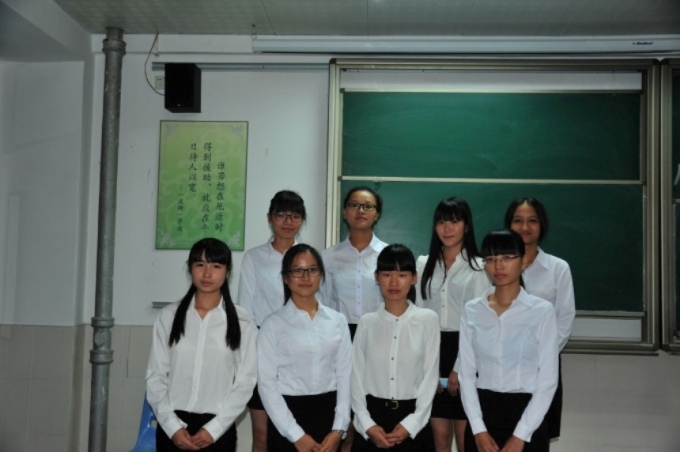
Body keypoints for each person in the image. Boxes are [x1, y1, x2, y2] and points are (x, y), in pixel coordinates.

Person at [146, 238, 257, 452]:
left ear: (227, 272)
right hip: (173, 428)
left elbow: (246, 381)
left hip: (218, 431)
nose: (207, 273)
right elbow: (155, 376)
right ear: (190, 268)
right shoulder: (168, 316)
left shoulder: (242, 321)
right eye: (200, 265)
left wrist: (214, 429)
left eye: (216, 266)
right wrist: (172, 427)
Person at [459, 229, 558, 452]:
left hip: (528, 413)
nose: (498, 265)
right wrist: (478, 429)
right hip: (482, 413)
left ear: (523, 261)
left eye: (506, 257)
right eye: (491, 259)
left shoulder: (541, 311)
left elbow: (548, 380)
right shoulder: (472, 310)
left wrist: (521, 435)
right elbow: (466, 375)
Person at [257, 244, 352, 452]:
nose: (305, 277)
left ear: (321, 275)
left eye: (312, 270)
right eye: (297, 270)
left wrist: (339, 429)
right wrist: (296, 435)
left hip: (329, 418)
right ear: (285, 277)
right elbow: (266, 385)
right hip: (286, 419)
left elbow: (345, 377)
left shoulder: (337, 321)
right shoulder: (272, 325)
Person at [415, 197, 491, 452]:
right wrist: (429, 366)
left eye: (454, 222)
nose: (447, 228)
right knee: (439, 439)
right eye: (441, 222)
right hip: (432, 349)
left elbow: (478, 324)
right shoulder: (423, 264)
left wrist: (459, 368)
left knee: (466, 437)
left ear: (466, 226)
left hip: (466, 351)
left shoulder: (480, 268)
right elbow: (419, 317)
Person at [351, 244, 440, 451]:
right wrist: (367, 424)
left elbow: (429, 379)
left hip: (413, 420)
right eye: (386, 274)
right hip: (372, 420)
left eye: (402, 275)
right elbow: (355, 378)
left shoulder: (428, 320)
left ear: (414, 278)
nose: (393, 282)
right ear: (376, 277)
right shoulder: (366, 323)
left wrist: (412, 424)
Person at [237, 189, 307, 452]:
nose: (288, 222)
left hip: (301, 355)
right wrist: (262, 352)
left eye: (295, 216)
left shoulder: (309, 258)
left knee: (298, 433)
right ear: (270, 218)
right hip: (263, 355)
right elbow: (245, 311)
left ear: (302, 220)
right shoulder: (254, 258)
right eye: (281, 215)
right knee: (262, 436)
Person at [504, 197, 575, 439]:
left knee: (537, 434)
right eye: (518, 220)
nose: (524, 227)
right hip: (500, 365)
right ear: (509, 225)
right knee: (502, 432)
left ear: (541, 225)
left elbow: (564, 318)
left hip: (543, 366)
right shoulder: (496, 266)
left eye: (532, 221)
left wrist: (542, 356)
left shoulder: (558, 268)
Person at [323, 186, 387, 451]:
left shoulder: (387, 255)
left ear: (377, 214)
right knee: (342, 413)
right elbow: (323, 303)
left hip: (378, 336)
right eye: (354, 205)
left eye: (368, 206)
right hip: (340, 336)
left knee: (369, 406)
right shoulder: (328, 257)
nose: (361, 211)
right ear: (344, 212)